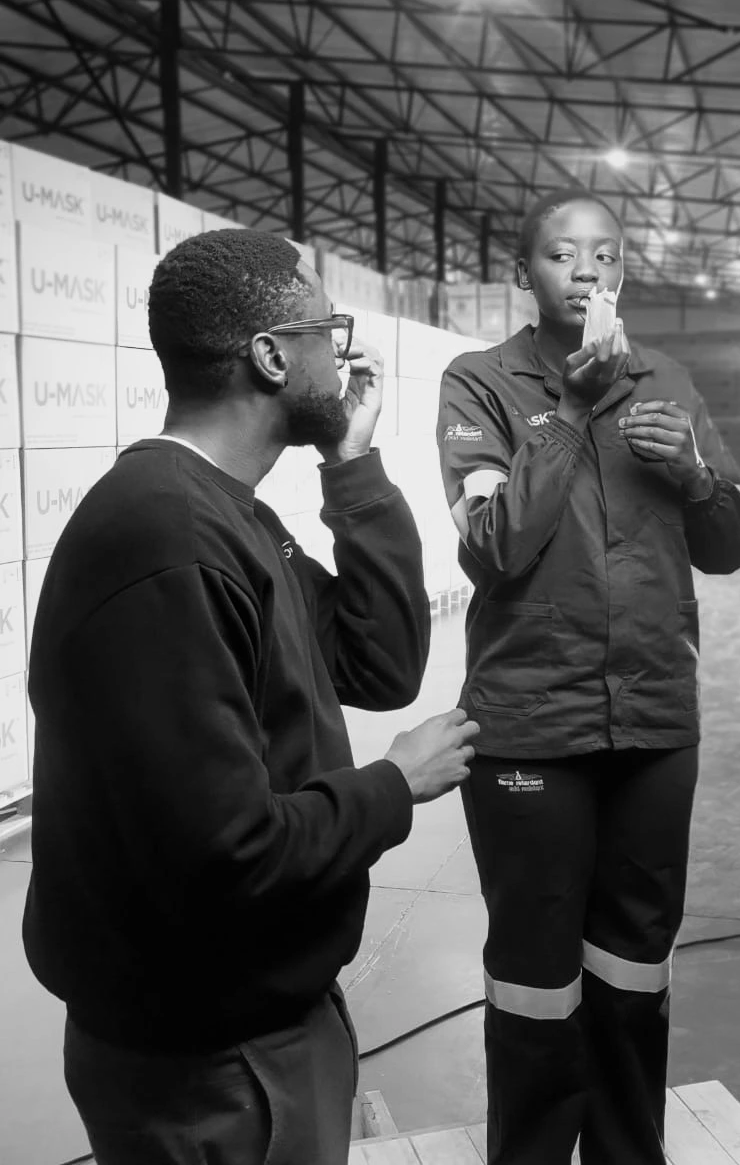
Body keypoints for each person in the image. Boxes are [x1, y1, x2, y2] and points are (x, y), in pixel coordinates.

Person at [23, 228, 478, 1165]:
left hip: (255, 1016)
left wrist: (352, 465)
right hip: (210, 1059)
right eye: (328, 327)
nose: (344, 350)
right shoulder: (167, 540)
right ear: (271, 355)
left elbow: (380, 661)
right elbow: (224, 855)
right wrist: (396, 786)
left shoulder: (230, 516)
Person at [436, 189, 740, 1165]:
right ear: (524, 274)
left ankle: (629, 1150)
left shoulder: (668, 380)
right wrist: (573, 411)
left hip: (656, 721)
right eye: (562, 254)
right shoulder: (481, 382)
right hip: (532, 728)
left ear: (622, 271)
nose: (587, 269)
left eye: (606, 254)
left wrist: (696, 476)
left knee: (633, 969)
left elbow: (734, 539)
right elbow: (492, 546)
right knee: (536, 975)